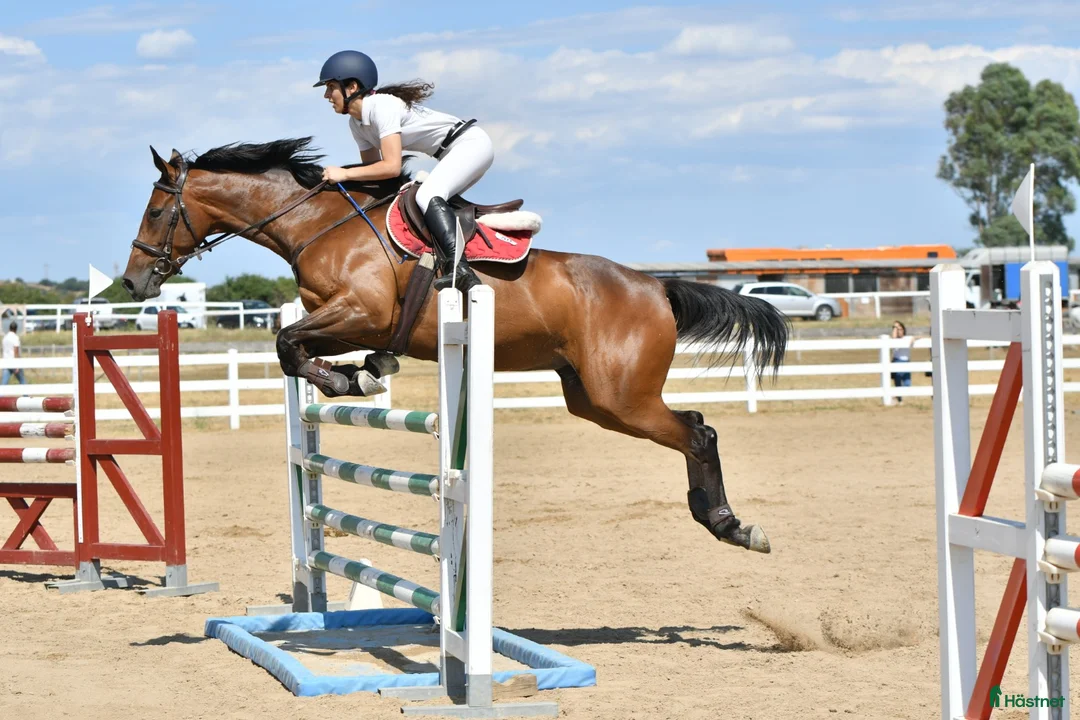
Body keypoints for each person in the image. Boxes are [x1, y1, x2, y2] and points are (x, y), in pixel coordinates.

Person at [314, 50, 494, 293]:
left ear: (352, 86)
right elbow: (373, 172)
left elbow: (390, 167)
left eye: (331, 87)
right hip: (451, 152)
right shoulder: (356, 124)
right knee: (423, 201)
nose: (326, 95)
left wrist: (344, 174)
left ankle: (460, 269)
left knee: (426, 195)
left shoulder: (381, 106)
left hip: (471, 145)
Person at [890, 320, 916, 404]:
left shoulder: (907, 338)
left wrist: (914, 338)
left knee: (907, 384)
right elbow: (894, 337)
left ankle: (895, 396)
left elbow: (918, 336)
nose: (898, 330)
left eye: (900, 329)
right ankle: (899, 400)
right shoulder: (893, 340)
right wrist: (895, 328)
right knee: (898, 382)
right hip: (897, 361)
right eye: (896, 329)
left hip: (906, 362)